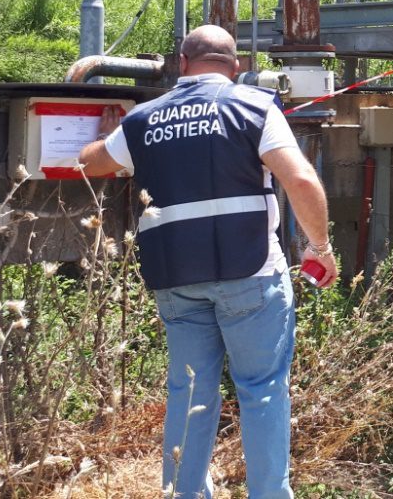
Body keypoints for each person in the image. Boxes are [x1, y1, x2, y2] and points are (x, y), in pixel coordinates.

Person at [79, 25, 337, 499]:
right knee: (260, 391)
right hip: (251, 274)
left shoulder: (143, 120)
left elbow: (90, 162)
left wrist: (105, 135)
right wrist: (318, 247)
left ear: (182, 63)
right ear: (234, 66)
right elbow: (299, 179)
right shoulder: (255, 106)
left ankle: (184, 493)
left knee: (190, 393)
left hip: (175, 277)